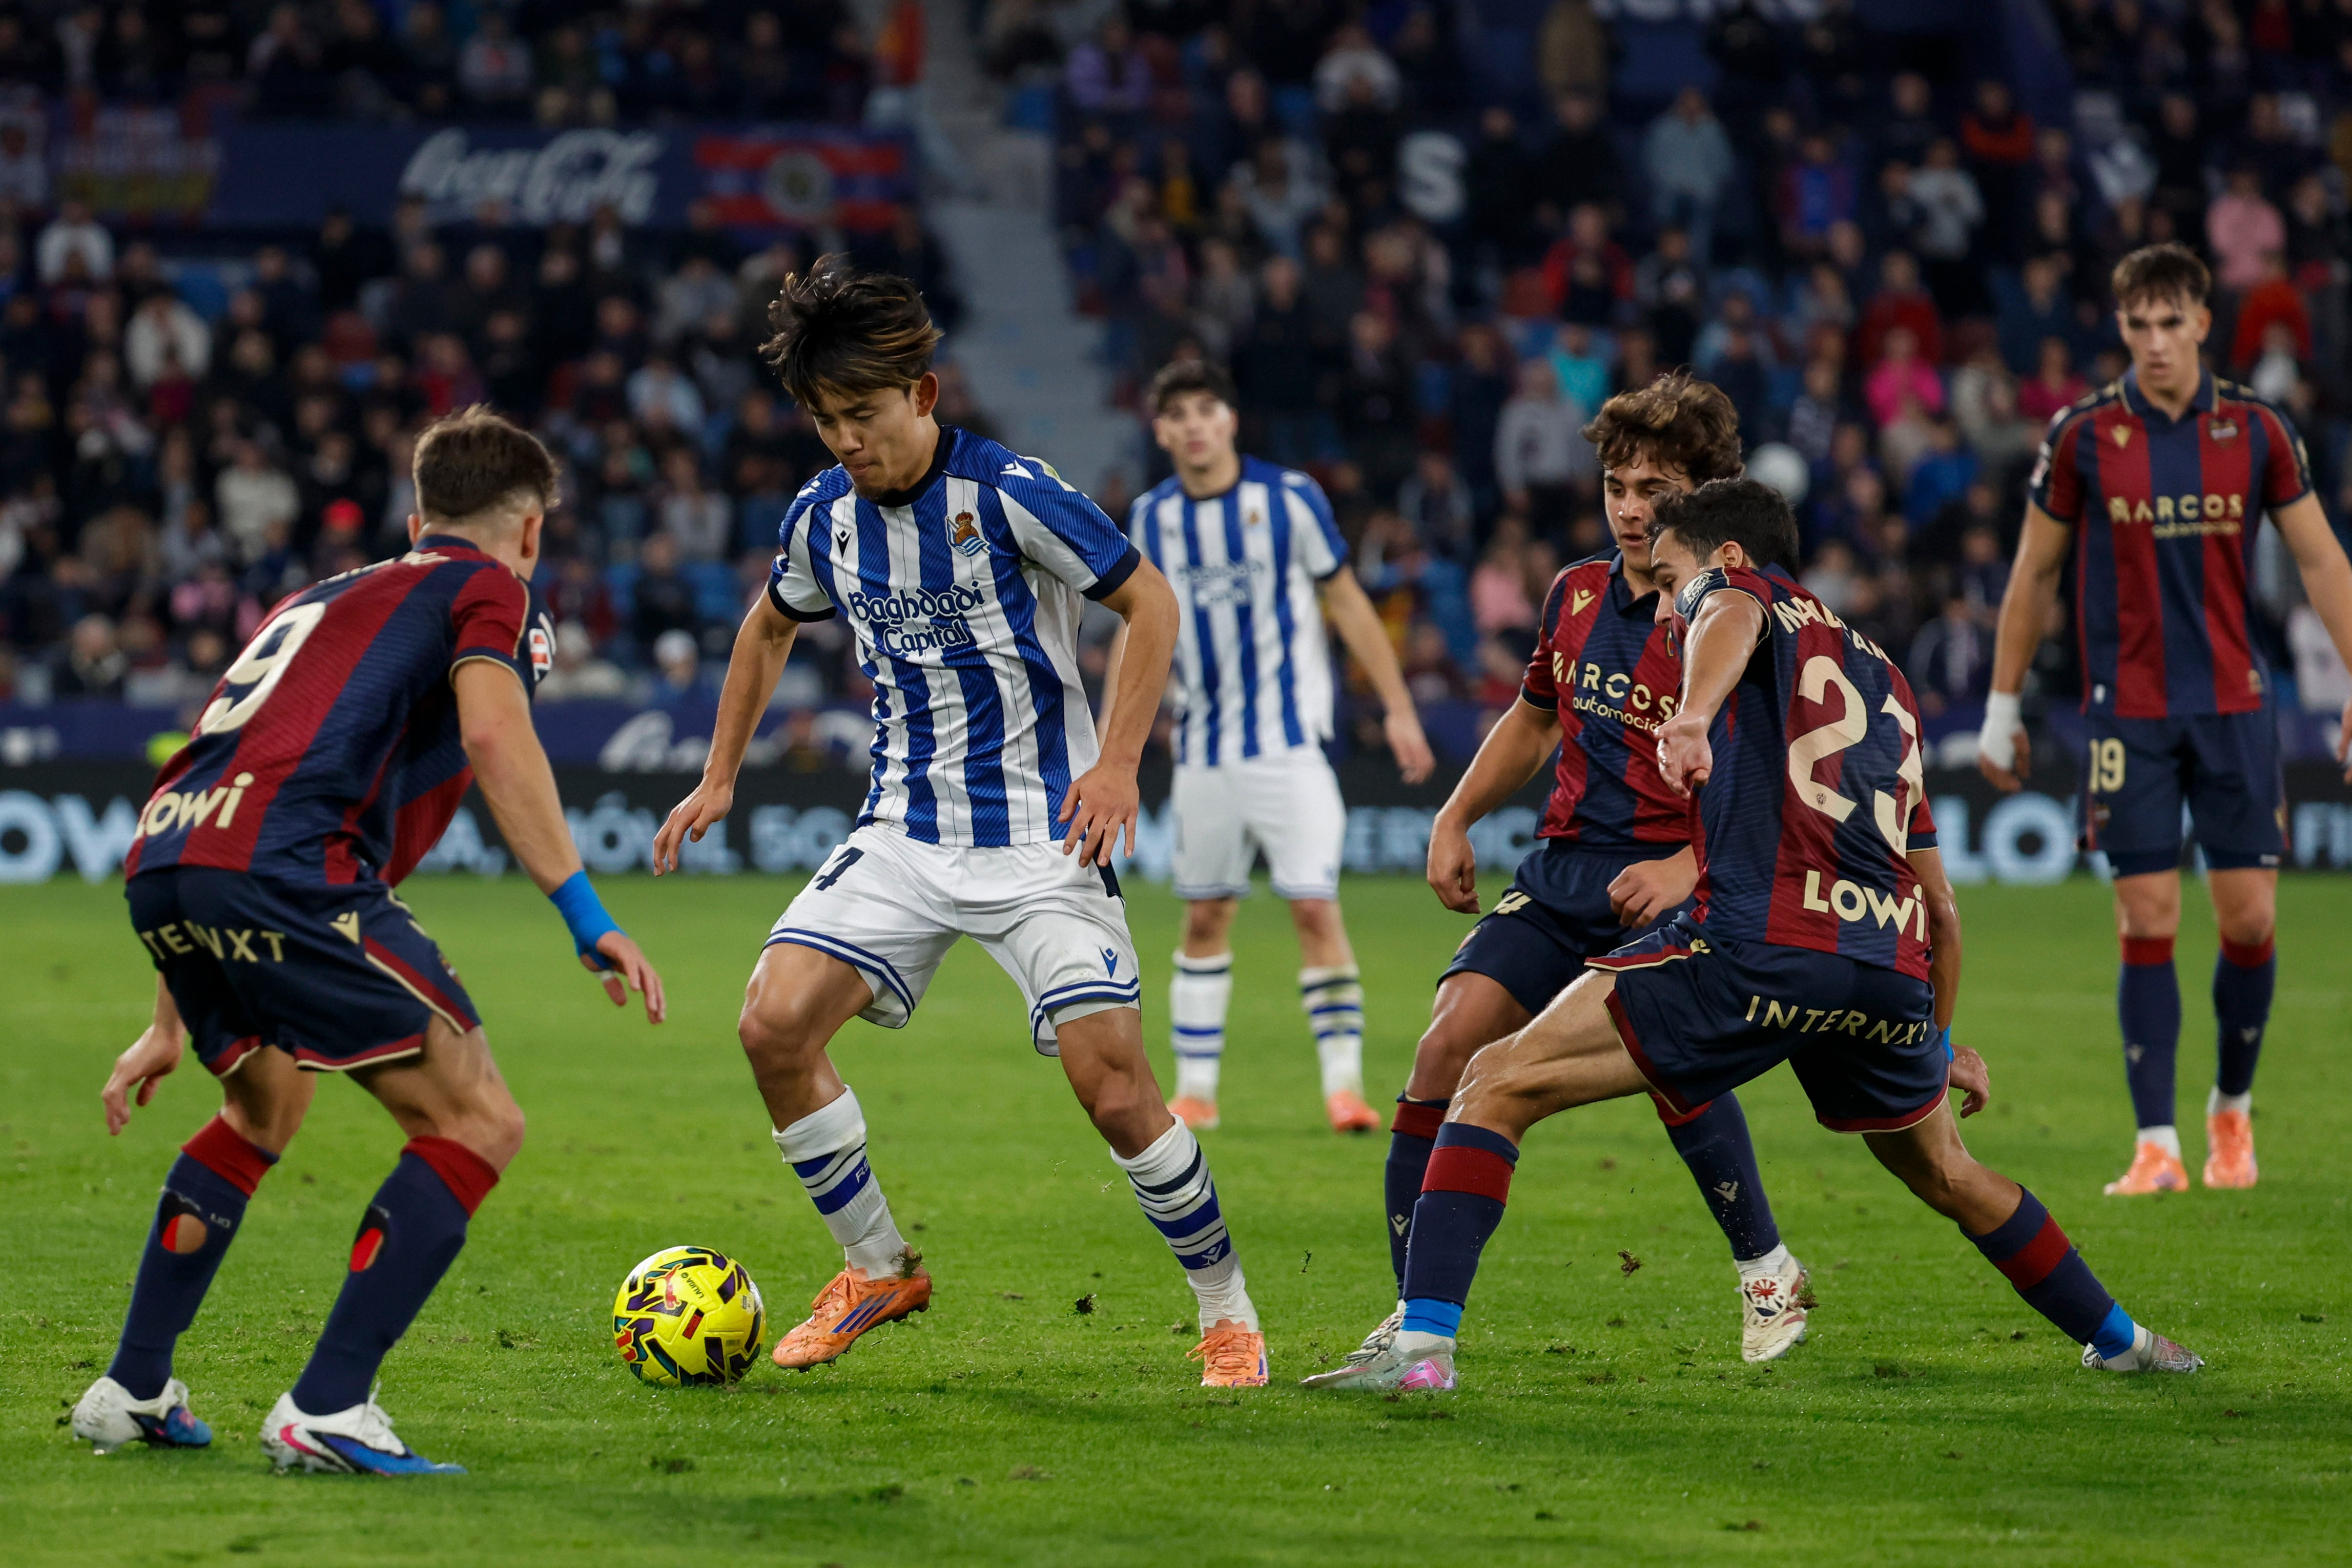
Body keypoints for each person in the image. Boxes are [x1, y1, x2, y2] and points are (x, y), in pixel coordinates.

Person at [1312, 478, 2202, 1392]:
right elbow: (1942, 909)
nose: (1661, 603)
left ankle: (1419, 1352)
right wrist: (1934, 1042)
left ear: (1725, 558)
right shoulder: (1885, 680)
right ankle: (2127, 1340)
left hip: (1758, 947)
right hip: (1884, 970)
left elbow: (1725, 612)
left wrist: (1691, 714)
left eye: (1667, 581)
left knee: (1492, 1079)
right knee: (1948, 1170)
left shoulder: (1737, 598)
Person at [651, 260, 1272, 1389]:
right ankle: (876, 1266)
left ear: (924, 396)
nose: (846, 440)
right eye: (826, 420)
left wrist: (1122, 764)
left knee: (1115, 1090)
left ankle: (1227, 1311)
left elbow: (1149, 601)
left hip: (1044, 837)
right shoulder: (822, 518)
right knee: (772, 1026)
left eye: (865, 415)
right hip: (902, 831)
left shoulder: (1013, 494)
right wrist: (720, 776)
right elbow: (766, 628)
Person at [72, 408, 666, 1471]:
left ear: (414, 517)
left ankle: (134, 1388)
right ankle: (328, 1408)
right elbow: (493, 731)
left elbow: (230, 770)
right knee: (477, 1119)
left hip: (170, 860)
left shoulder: (320, 596)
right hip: (287, 869)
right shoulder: (489, 586)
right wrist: (588, 915)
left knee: (265, 1100)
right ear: (529, 530)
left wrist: (171, 1012)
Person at [1330, 373, 1812, 1375]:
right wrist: (1456, 816)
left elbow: (1790, 771)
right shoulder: (1576, 592)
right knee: (1442, 1049)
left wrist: (1689, 861)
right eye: (1617, 484)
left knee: (1673, 1075)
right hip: (1560, 875)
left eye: (1656, 487)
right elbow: (1536, 719)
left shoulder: (1737, 616)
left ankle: (1766, 1269)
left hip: (1676, 886)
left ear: (1703, 492)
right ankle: (1409, 1308)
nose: (1632, 507)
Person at [1978, 243, 2352, 1194]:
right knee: (2143, 916)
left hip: (2234, 704)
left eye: (2167, 322)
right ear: (2121, 328)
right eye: (2134, 325)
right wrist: (1998, 703)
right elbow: (2034, 572)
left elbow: (2319, 563)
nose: (2151, 341)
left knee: (2250, 920)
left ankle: (2230, 1110)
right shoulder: (2081, 436)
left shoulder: (2258, 431)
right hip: (2128, 713)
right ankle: (2157, 1144)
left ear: (2200, 324)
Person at [1121, 359, 1435, 1135]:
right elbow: (1137, 636)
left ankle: (1343, 1089)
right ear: (1161, 431)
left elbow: (1347, 600)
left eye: (1206, 409)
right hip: (1203, 751)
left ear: (1228, 420)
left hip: (1291, 747)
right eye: (1178, 414)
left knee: (1314, 909)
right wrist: (1112, 755)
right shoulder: (1149, 519)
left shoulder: (1288, 498)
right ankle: (1195, 1093)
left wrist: (1396, 706)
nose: (1194, 425)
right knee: (1204, 919)